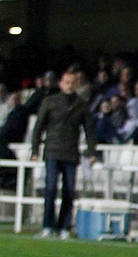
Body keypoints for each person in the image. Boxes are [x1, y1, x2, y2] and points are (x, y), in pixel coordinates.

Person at [30, 69, 98, 239]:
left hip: (70, 152)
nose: (69, 86)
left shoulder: (81, 105)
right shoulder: (50, 102)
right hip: (52, 150)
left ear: (77, 84)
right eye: (66, 82)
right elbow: (38, 127)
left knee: (69, 191)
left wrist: (92, 151)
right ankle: (48, 225)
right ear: (61, 84)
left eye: (73, 83)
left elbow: (89, 129)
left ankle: (64, 227)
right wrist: (35, 149)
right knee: (50, 189)